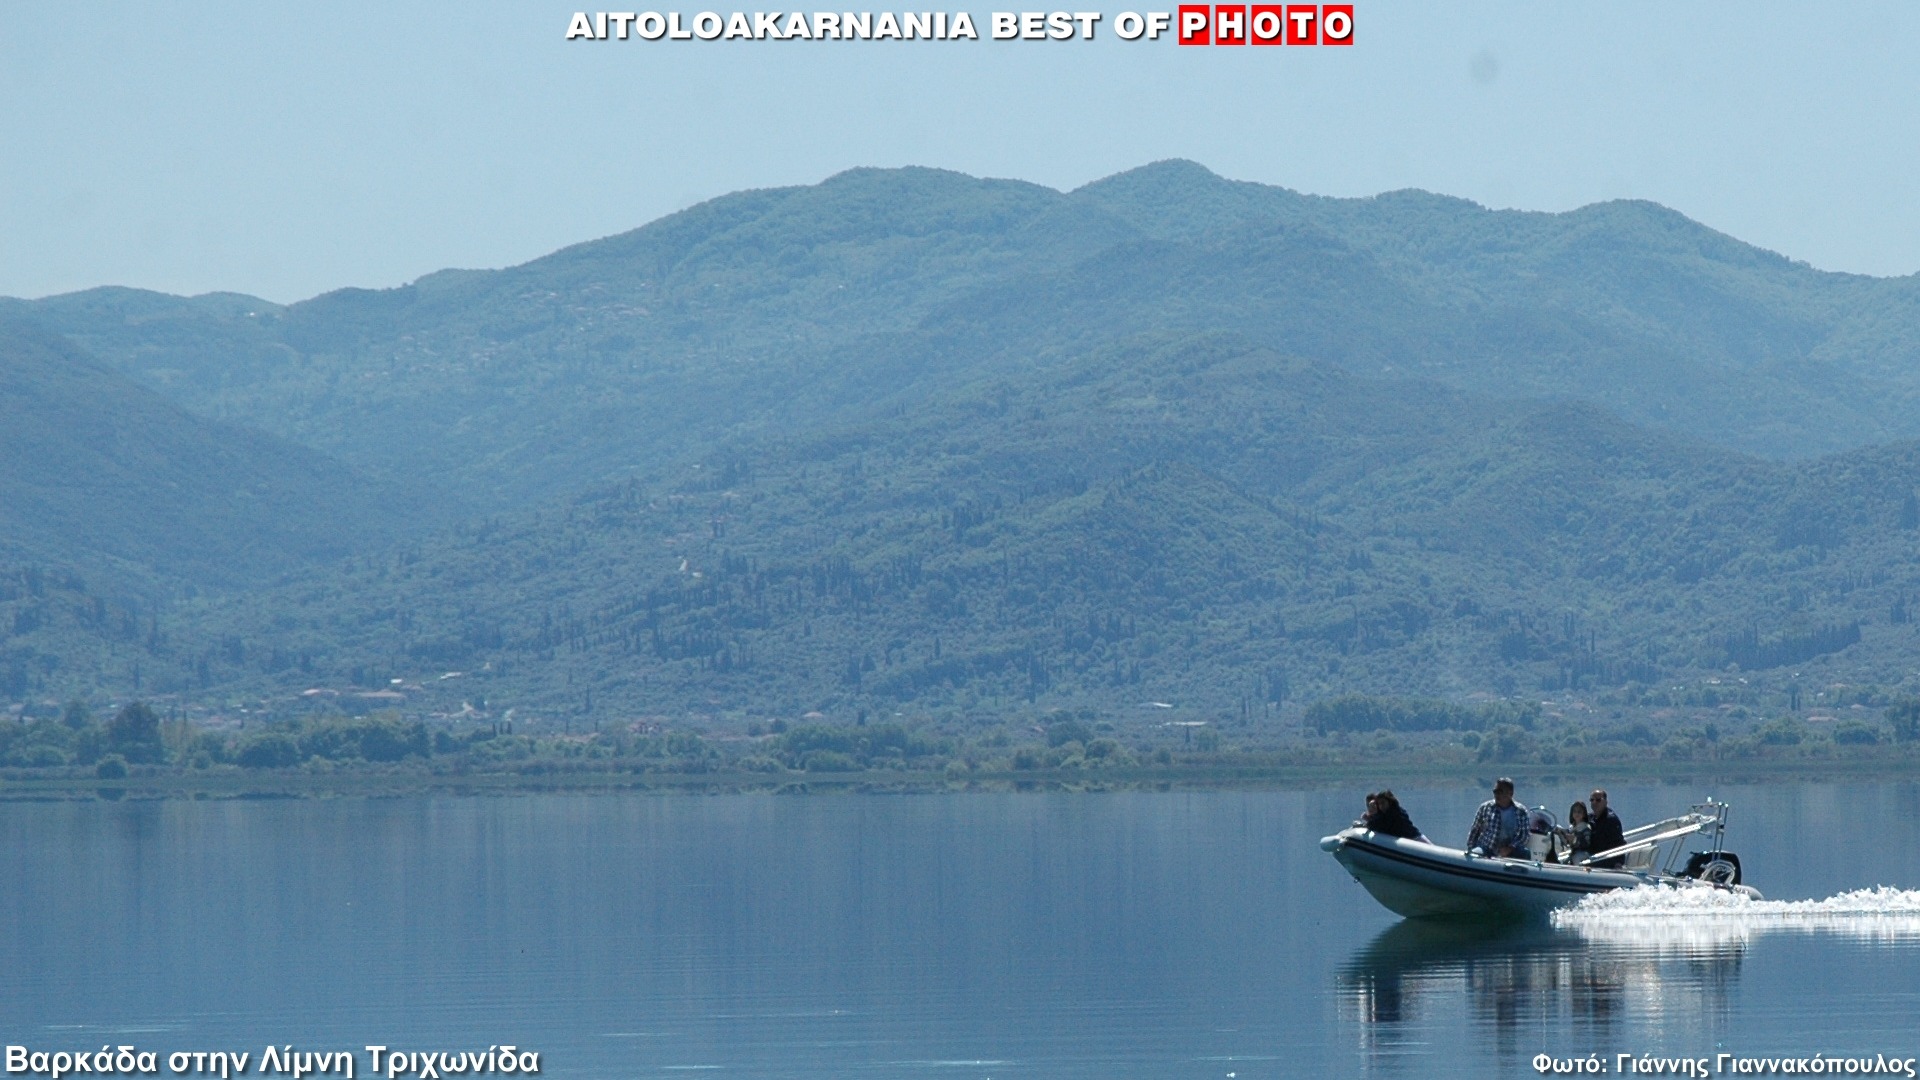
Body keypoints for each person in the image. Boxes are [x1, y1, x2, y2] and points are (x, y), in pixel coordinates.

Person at [1466, 777, 1527, 858]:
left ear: (1510, 793)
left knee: (1525, 853)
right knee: (1474, 855)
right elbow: (1474, 830)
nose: (1496, 795)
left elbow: (1524, 835)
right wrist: (1470, 848)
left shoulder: (1521, 811)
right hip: (1486, 848)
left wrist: (1510, 848)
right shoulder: (1485, 808)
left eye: (1500, 792)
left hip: (1511, 849)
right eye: (1495, 791)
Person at [1586, 788, 1625, 868]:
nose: (1594, 802)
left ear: (1605, 802)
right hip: (1594, 856)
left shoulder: (1611, 820)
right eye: (1592, 800)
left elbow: (1618, 843)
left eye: (1598, 800)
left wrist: (1617, 863)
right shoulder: (1590, 817)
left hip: (1607, 859)